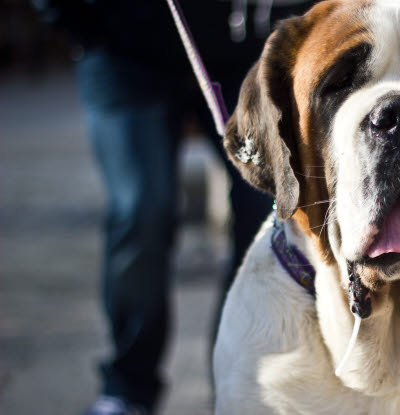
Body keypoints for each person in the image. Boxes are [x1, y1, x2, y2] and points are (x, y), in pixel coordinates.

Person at [32, 1, 315, 414]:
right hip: (121, 54)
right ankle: (129, 389)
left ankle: (238, 377)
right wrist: (78, 22)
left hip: (239, 53)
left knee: (267, 211)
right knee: (140, 210)